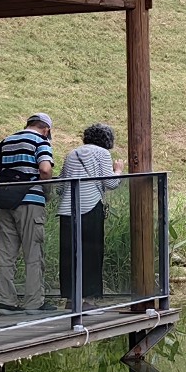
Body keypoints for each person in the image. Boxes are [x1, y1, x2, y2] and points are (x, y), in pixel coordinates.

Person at [0, 110, 55, 314]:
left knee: (6, 254)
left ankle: (6, 302)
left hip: (5, 203)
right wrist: (46, 192)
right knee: (33, 253)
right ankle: (34, 302)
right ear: (46, 129)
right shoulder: (41, 142)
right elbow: (45, 170)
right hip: (31, 203)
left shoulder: (6, 141)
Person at [57, 123, 122, 308]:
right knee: (91, 253)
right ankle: (88, 299)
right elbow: (111, 183)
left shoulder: (71, 153)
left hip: (67, 209)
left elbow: (60, 187)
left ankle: (71, 299)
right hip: (91, 207)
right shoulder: (102, 153)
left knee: (69, 254)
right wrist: (117, 169)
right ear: (107, 140)